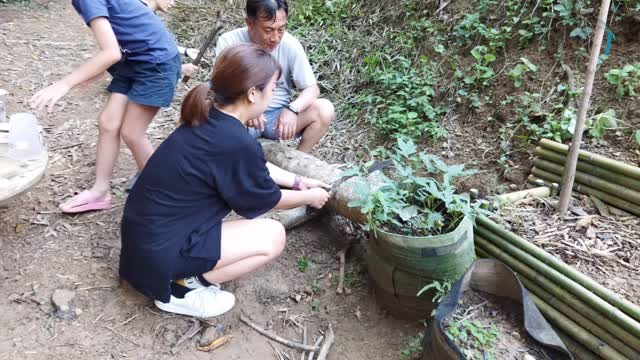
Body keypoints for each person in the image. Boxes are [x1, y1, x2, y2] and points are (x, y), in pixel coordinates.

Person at [120, 43, 331, 317]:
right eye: (274, 87)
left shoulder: (210, 117)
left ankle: (183, 277)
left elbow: (255, 165)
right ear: (253, 93)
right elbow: (267, 199)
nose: (275, 93)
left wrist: (299, 181)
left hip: (144, 245)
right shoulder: (234, 141)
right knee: (272, 236)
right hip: (160, 256)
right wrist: (310, 197)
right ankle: (180, 290)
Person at [30, 0, 182, 214]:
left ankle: (167, 197)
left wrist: (64, 84)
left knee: (132, 132)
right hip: (134, 60)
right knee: (108, 123)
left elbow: (111, 53)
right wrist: (96, 68)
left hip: (156, 63)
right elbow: (124, 26)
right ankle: (100, 191)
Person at [215, 0, 334, 153]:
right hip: (242, 115)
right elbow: (220, 87)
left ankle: (297, 161)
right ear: (249, 23)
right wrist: (246, 107)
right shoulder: (229, 41)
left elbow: (312, 88)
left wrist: (293, 110)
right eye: (268, 30)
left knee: (324, 109)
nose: (275, 38)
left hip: (276, 118)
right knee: (213, 114)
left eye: (281, 29)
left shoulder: (290, 44)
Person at [141, 0, 200, 78]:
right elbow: (140, 59)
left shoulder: (150, 17)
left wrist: (185, 51)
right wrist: (179, 69)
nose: (172, 4)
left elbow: (158, 44)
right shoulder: (140, 18)